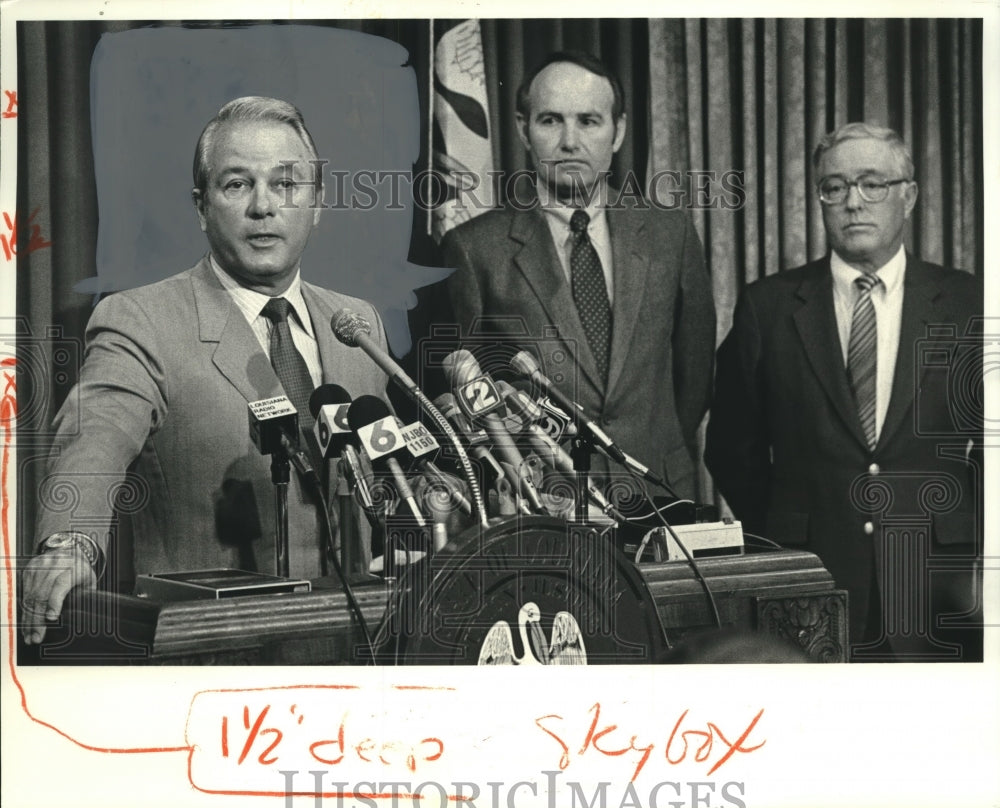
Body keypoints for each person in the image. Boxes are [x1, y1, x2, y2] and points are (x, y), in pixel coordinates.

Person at [21, 96, 390, 645]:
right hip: (215, 657)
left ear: (317, 203)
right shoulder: (142, 320)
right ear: (201, 207)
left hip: (357, 652)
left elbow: (383, 476)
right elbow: (94, 442)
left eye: (286, 185)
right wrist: (68, 546)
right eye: (237, 185)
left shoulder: (357, 325)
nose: (263, 207)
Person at [706, 122, 983, 660]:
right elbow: (730, 447)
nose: (853, 202)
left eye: (872, 183)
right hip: (809, 579)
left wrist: (963, 517)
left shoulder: (966, 300)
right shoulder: (769, 306)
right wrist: (783, 531)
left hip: (938, 581)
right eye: (834, 187)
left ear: (909, 195)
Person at [442, 51, 715, 498]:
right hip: (545, 503)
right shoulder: (473, 249)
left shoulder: (671, 233)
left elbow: (695, 374)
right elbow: (471, 398)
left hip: (661, 491)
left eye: (589, 121)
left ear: (619, 130)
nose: (570, 141)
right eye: (551, 121)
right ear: (522, 129)